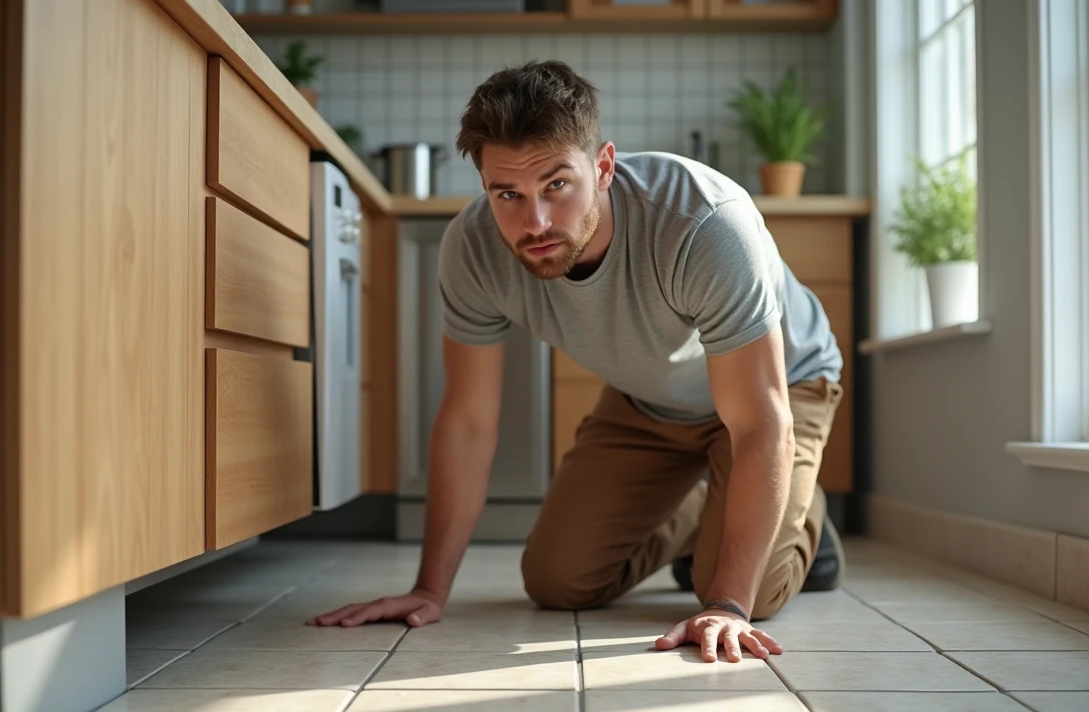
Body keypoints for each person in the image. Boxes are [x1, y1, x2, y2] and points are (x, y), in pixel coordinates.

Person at [314, 60, 846, 664]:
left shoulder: (705, 223)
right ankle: (712, 507)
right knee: (557, 582)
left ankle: (804, 522)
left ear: (603, 167)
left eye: (556, 186)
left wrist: (727, 604)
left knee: (749, 591)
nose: (533, 222)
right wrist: (429, 589)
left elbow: (758, 423)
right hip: (647, 399)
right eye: (507, 194)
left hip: (779, 390)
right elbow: (466, 421)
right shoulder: (473, 250)